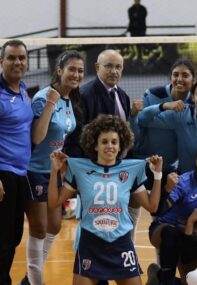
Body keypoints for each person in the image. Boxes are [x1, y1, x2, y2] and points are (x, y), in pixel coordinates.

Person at [47, 114, 163, 285]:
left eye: (114, 142)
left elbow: (152, 206)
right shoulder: (79, 168)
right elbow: (54, 202)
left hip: (121, 242)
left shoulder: (131, 170)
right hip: (90, 243)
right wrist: (54, 171)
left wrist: (158, 175)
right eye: (104, 142)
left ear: (120, 144)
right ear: (95, 145)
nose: (110, 146)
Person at [20, 50, 84, 285]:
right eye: (72, 69)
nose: (76, 74)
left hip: (53, 172)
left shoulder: (70, 100)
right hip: (34, 170)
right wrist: (50, 103)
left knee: (55, 226)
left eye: (80, 70)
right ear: (59, 70)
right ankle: (35, 282)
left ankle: (29, 279)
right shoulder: (44, 97)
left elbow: (61, 137)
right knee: (39, 229)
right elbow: (37, 137)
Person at [146, 140, 197, 285]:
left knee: (192, 281)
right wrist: (167, 189)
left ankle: (157, 277)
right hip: (164, 230)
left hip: (191, 237)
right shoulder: (183, 182)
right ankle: (165, 279)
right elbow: (159, 211)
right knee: (172, 232)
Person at [133, 79, 197, 180]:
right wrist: (164, 106)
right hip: (185, 180)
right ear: (192, 97)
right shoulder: (181, 114)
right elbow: (143, 119)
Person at [131, 59, 196, 193]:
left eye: (185, 75)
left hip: (171, 169)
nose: (179, 79)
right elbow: (141, 120)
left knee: (164, 211)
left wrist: (156, 116)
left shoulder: (195, 102)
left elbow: (149, 118)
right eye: (175, 74)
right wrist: (164, 106)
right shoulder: (154, 94)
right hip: (143, 163)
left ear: (194, 80)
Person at [0, 39, 32, 285]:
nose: (17, 62)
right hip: (3, 175)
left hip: (21, 175)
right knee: (3, 239)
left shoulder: (22, 91)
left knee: (14, 237)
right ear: (2, 61)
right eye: (11, 57)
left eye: (21, 57)